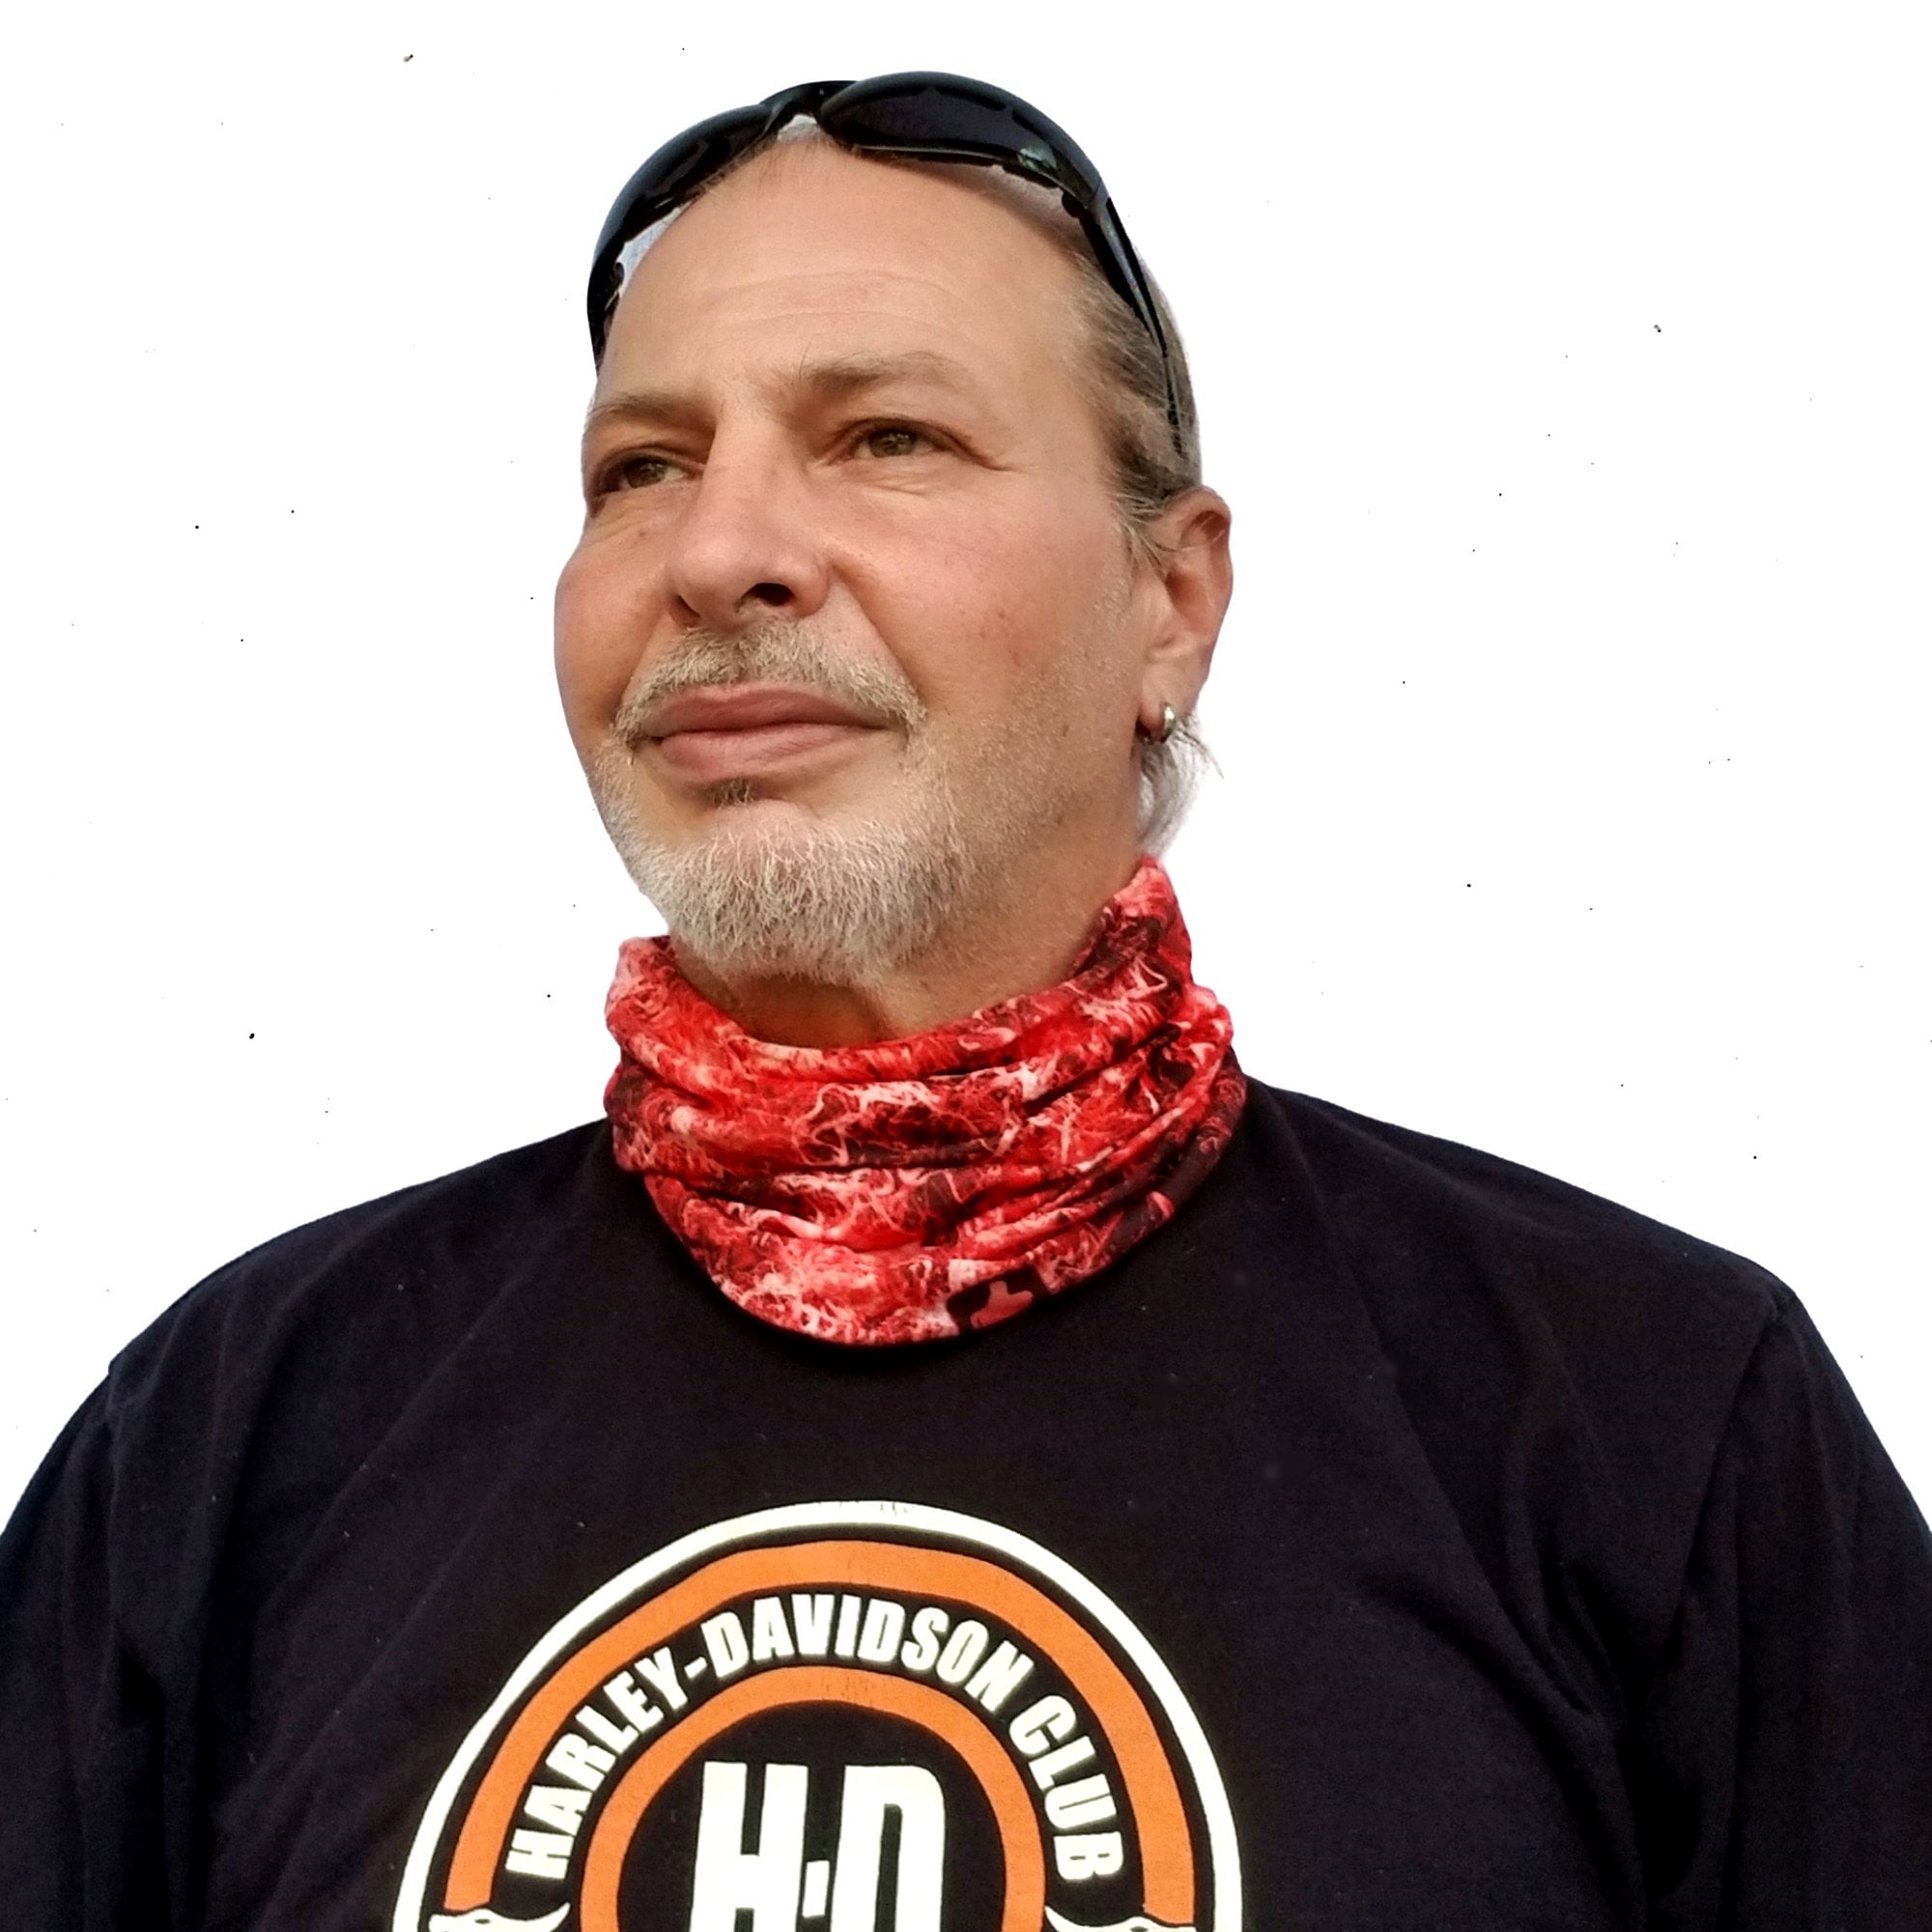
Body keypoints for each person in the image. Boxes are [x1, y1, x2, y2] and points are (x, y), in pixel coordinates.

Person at [2, 70, 1926, 1932]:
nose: (722, 552)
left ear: (1171, 603)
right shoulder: (235, 1434)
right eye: (643, 467)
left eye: (887, 438)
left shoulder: (1648, 1421)